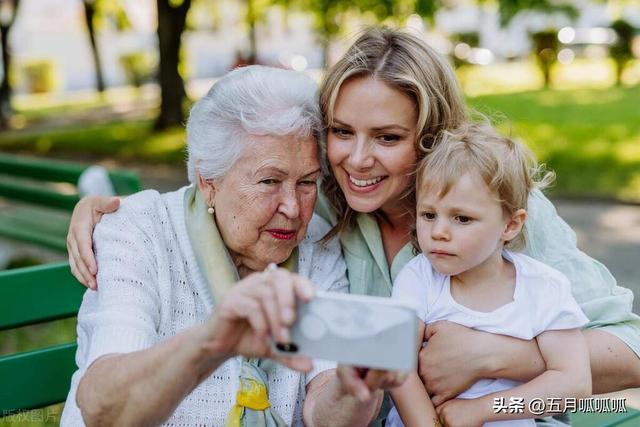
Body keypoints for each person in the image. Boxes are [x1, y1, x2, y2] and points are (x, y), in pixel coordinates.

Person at [66, 28, 640, 425]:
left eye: (388, 138)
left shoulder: (498, 214)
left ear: (430, 137)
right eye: (341, 132)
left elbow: (618, 367)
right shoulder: (322, 210)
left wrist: (495, 357)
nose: (357, 161)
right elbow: (232, 184)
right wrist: (114, 212)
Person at [60, 65, 404, 426]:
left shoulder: (317, 243)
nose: (292, 207)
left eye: (306, 182)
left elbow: (326, 412)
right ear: (208, 180)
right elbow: (104, 410)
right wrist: (214, 340)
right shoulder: (139, 232)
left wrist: (352, 389)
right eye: (269, 181)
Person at [388, 123, 592, 427]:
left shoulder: (543, 288)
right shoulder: (418, 279)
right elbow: (397, 369)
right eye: (428, 215)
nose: (438, 232)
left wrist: (483, 409)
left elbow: (573, 383)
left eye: (462, 218)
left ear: (510, 225)